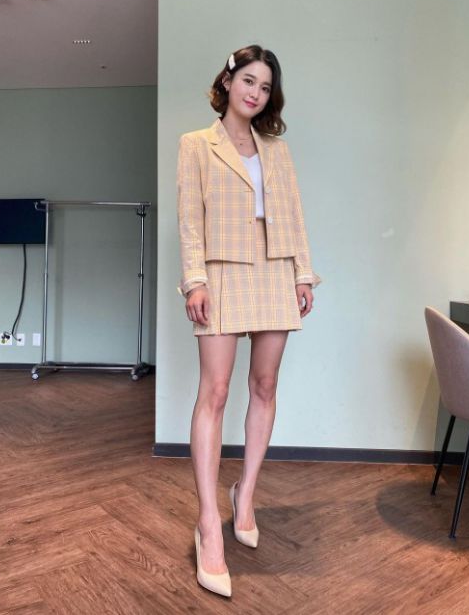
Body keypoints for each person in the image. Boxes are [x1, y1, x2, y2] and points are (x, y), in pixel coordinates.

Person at [176, 44, 321, 598]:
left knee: (265, 386)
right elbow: (190, 218)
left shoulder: (277, 151)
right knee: (213, 392)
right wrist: (195, 280)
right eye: (248, 81)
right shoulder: (196, 144)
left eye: (265, 86)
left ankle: (246, 496)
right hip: (220, 270)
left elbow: (294, 213)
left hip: (274, 267)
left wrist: (303, 273)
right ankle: (207, 524)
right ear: (228, 81)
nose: (255, 92)